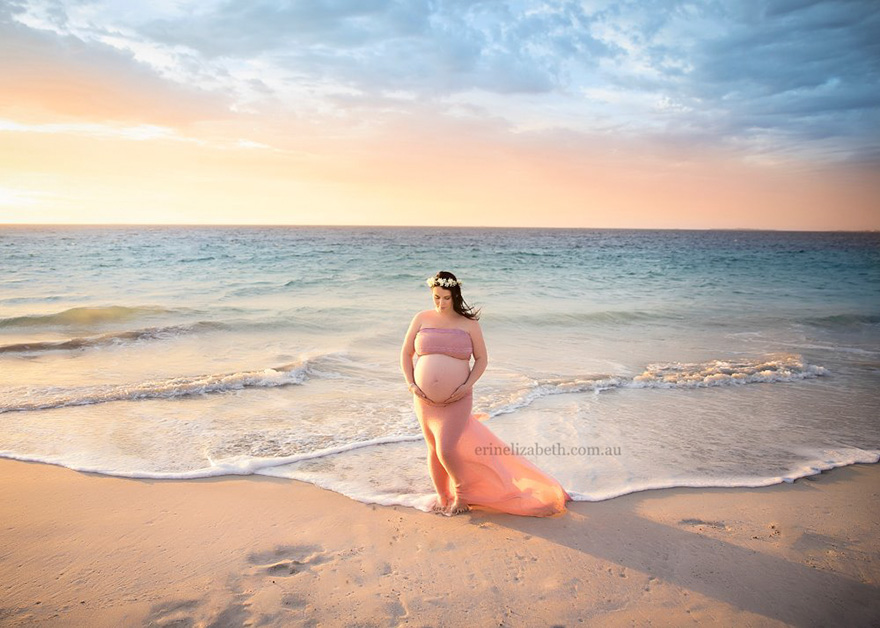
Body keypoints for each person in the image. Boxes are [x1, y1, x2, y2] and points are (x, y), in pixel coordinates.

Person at [401, 271, 571, 516]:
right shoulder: (421, 318)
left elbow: (481, 359)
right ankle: (442, 495)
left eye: (446, 298)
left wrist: (466, 386)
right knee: (433, 449)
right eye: (436, 297)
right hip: (423, 399)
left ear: (455, 295)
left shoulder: (469, 324)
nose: (441, 303)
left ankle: (462, 496)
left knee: (446, 449)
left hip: (458, 398)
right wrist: (411, 384)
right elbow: (406, 353)